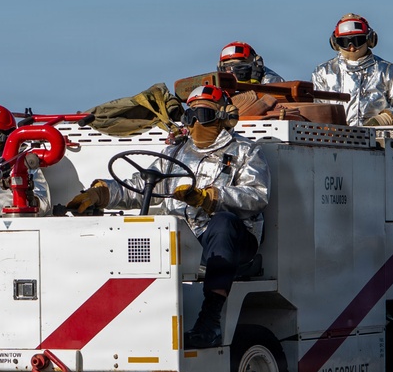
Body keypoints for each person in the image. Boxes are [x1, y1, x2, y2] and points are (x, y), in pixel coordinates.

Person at [66, 85, 270, 349]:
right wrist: (99, 194)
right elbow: (141, 187)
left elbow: (258, 195)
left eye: (204, 114)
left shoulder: (246, 151)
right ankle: (135, 321)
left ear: (224, 117)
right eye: (190, 116)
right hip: (184, 237)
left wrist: (210, 198)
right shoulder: (175, 153)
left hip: (234, 239)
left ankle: (210, 321)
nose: (196, 122)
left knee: (223, 223)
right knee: (142, 230)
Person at [312, 13, 393, 126]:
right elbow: (314, 108)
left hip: (377, 139)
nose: (352, 47)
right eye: (344, 42)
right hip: (334, 139)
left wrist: (386, 118)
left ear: (370, 40)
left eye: (357, 40)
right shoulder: (323, 72)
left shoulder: (385, 70)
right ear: (335, 43)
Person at [218, 42, 284, 84]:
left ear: (256, 66)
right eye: (228, 68)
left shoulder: (271, 80)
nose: (233, 72)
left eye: (240, 67)